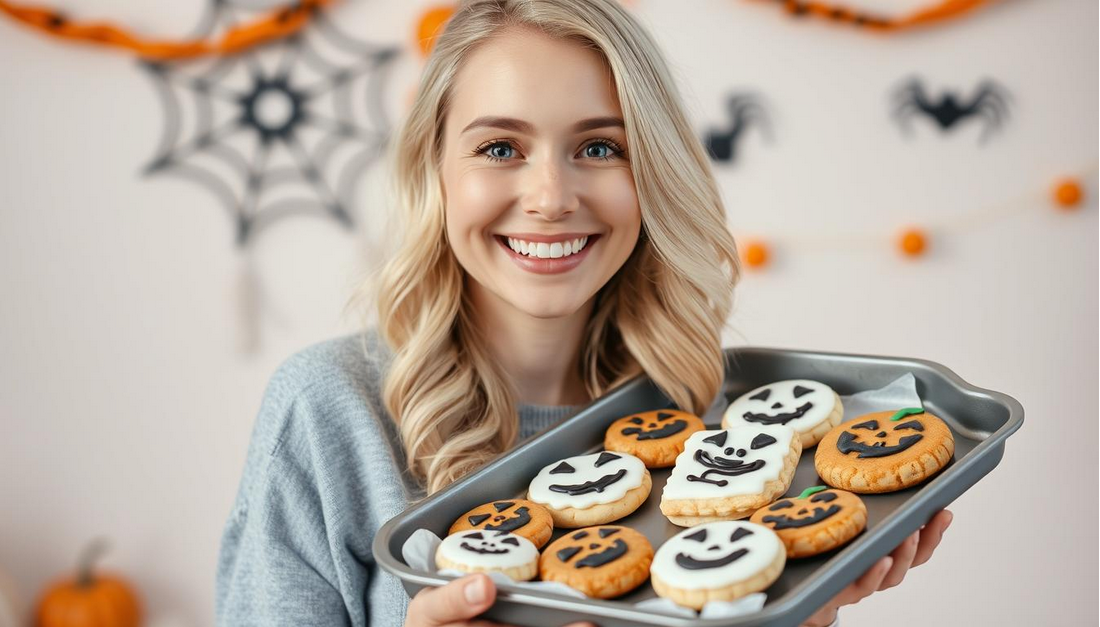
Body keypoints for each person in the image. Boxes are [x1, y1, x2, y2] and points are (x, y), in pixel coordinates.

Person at [214, 1, 952, 625]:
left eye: (599, 146)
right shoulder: (327, 412)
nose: (550, 197)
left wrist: (795, 610)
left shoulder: (699, 417)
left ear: (652, 173)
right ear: (434, 171)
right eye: (500, 146)